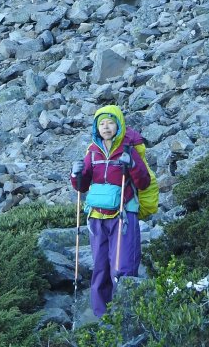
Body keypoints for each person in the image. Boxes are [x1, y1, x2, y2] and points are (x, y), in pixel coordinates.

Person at [71, 104, 151, 317]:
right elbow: (82, 186)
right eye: (102, 123)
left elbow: (143, 182)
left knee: (122, 266)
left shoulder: (128, 150)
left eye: (110, 123)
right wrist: (75, 174)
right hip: (97, 216)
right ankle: (101, 317)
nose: (106, 127)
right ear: (96, 128)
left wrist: (132, 164)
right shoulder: (93, 152)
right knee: (99, 267)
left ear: (119, 125)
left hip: (123, 214)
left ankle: (125, 315)